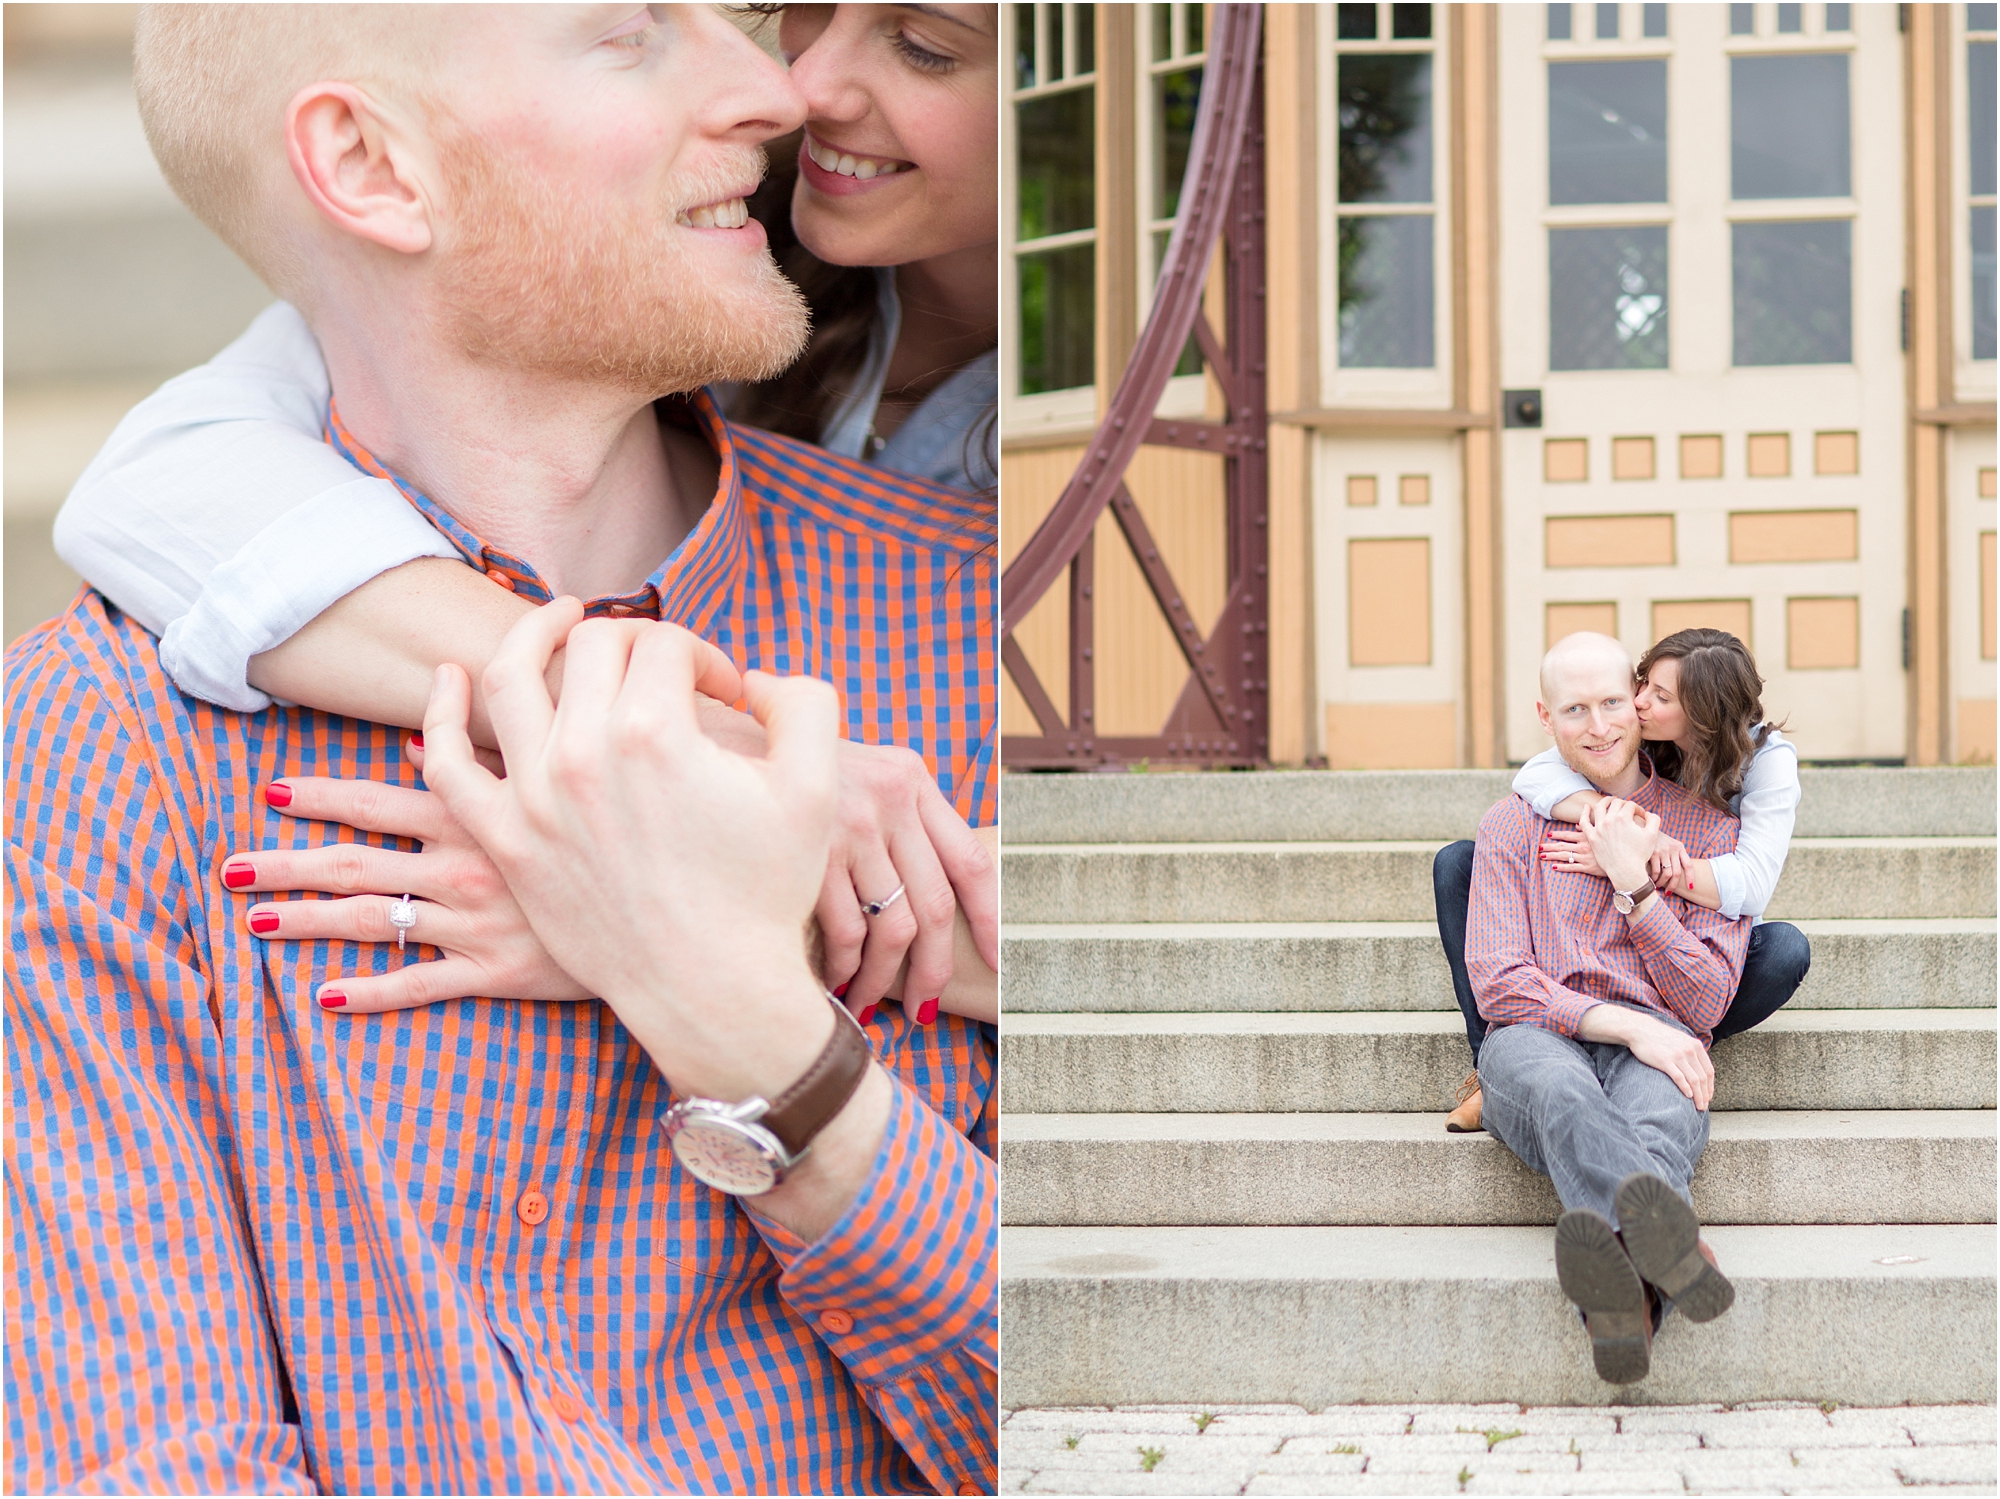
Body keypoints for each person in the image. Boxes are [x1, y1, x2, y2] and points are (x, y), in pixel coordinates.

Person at [8, 8, 992, 1494]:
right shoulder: (106, 749)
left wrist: (749, 1023)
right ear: (370, 164)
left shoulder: (987, 633)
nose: (767, 91)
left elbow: (1145, 1409)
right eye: (629, 38)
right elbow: (144, 1454)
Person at [50, 1, 999, 1027]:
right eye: (796, 8)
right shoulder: (659, 234)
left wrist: (660, 913)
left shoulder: (1034, 552)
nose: (790, 91)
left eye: (925, 47)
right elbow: (169, 481)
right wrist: (688, 743)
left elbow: (1180, 952)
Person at [1465, 632, 1752, 1385]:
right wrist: (1628, 1023)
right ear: (1544, 716)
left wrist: (1642, 890)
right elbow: (1498, 979)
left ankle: (1622, 1309)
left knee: (1659, 1113)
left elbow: (1709, 997)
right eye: (1575, 709)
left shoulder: (1707, 833)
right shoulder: (1510, 826)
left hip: (1656, 1046)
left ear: (1639, 701)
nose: (1598, 726)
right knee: (1563, 1092)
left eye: (1612, 703)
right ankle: (1680, 1248)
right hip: (1536, 1040)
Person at [1434, 628, 1810, 1132]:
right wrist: (1627, 822)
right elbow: (1533, 778)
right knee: (1460, 862)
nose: (1638, 703)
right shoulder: (1632, 732)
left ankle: (1669, 1037)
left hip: (1704, 921)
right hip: (1624, 914)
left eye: (1659, 696)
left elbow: (1750, 885)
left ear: (1702, 713)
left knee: (1784, 950)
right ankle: (1492, 1065)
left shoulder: (1767, 763)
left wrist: (1630, 865)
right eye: (1642, 686)